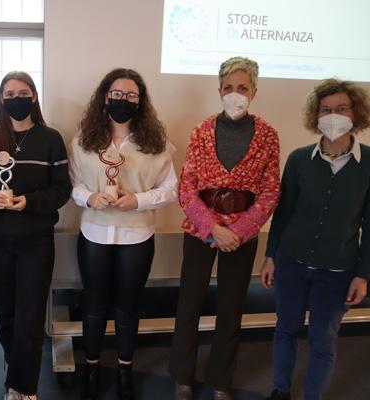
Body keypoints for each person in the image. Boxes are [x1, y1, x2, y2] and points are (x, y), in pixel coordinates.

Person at [168, 57, 280, 400]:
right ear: (219, 90)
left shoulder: (268, 135)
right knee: (189, 304)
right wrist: (213, 228)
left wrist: (241, 230)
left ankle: (221, 380)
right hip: (201, 229)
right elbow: (185, 188)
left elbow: (270, 190)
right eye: (229, 87)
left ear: (254, 92)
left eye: (242, 88)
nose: (235, 93)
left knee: (231, 309)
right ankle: (183, 377)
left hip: (242, 236)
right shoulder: (200, 131)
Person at [69, 68, 177, 400]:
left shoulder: (156, 144)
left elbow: (172, 189)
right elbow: (74, 183)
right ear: (105, 96)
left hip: (137, 235)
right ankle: (90, 370)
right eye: (117, 94)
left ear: (140, 102)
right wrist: (90, 197)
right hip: (94, 233)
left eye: (131, 95)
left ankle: (125, 370)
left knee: (128, 308)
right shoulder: (84, 140)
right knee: (94, 305)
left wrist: (138, 200)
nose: (123, 100)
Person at [261, 79, 370, 400]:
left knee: (323, 340)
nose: (333, 115)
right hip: (291, 262)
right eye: (326, 110)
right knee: (286, 329)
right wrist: (270, 255)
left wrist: (363, 275)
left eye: (341, 109)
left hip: (337, 270)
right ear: (315, 115)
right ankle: (280, 389)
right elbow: (283, 213)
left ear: (356, 114)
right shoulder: (298, 160)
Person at [0, 71, 71, 400]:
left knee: (29, 316)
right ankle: (14, 363)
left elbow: (62, 189)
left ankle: (22, 387)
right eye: (9, 93)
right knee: (4, 314)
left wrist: (29, 201)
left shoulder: (51, 138)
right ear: (1, 99)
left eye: (23, 91)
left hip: (36, 240)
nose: (17, 98)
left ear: (34, 97)